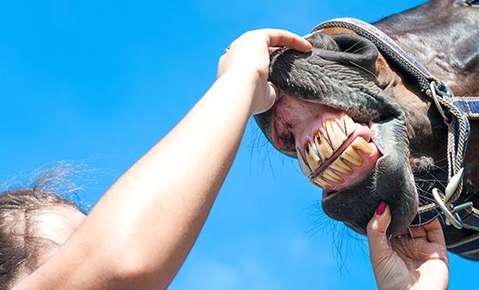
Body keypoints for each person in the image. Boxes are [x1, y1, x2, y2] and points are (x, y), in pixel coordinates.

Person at [0, 29, 449, 290]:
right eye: (68, 258)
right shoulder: (121, 262)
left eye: (89, 240)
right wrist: (241, 80)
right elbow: (122, 261)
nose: (89, 255)